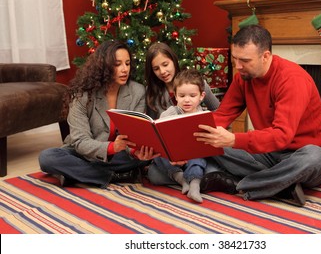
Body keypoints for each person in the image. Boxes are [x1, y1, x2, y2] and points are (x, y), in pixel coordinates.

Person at [194, 25, 321, 206]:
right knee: (209, 141)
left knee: (315, 158)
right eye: (234, 59)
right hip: (268, 153)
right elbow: (222, 115)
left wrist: (233, 139)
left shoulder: (291, 80)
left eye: (244, 60)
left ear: (265, 56)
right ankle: (281, 184)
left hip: (302, 154)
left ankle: (239, 185)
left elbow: (282, 136)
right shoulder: (243, 77)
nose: (237, 66)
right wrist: (187, 137)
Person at [39, 40, 157, 188]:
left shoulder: (137, 91)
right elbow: (81, 142)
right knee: (47, 158)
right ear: (104, 65)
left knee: (144, 158)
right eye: (118, 64)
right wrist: (112, 148)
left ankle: (77, 175)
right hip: (86, 154)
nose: (125, 69)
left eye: (127, 63)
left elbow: (134, 137)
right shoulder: (82, 95)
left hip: (120, 156)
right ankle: (115, 176)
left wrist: (136, 152)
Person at [144, 42, 221, 186]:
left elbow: (220, 113)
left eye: (165, 64)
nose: (162, 71)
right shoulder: (152, 93)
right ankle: (187, 178)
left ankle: (192, 177)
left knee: (212, 168)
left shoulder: (197, 83)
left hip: (197, 150)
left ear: (173, 60)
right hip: (170, 156)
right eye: (156, 68)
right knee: (154, 176)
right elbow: (153, 129)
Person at [153, 69, 208, 203]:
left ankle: (194, 186)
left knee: (200, 157)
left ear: (201, 96)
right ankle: (182, 179)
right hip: (172, 156)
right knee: (160, 157)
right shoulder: (170, 113)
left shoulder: (204, 114)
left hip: (193, 155)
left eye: (192, 95)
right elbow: (159, 134)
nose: (187, 100)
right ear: (175, 96)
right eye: (182, 96)